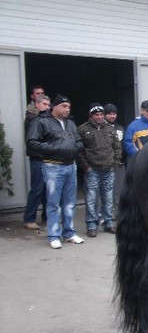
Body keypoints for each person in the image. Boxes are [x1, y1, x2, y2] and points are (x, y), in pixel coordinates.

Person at [26, 95, 84, 249]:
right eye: (64, 106)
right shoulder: (41, 122)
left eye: (69, 107)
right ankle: (53, 235)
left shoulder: (70, 123)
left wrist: (76, 149)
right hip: (53, 166)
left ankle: (69, 233)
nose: (67, 109)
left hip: (71, 166)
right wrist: (53, 149)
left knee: (69, 203)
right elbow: (32, 142)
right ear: (55, 106)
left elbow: (79, 141)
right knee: (54, 204)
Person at [77, 103, 122, 237]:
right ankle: (91, 225)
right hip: (92, 170)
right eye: (97, 115)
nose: (100, 117)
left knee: (108, 198)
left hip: (108, 169)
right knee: (91, 198)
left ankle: (108, 223)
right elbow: (79, 151)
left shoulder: (110, 129)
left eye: (101, 114)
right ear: (91, 116)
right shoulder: (83, 129)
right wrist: (86, 167)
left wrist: (114, 163)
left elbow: (117, 147)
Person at [23, 93, 51, 230]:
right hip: (37, 158)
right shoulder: (32, 118)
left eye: (48, 104)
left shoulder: (46, 118)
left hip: (47, 158)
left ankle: (46, 217)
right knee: (37, 188)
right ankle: (29, 219)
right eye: (44, 104)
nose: (47, 107)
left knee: (48, 189)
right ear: (37, 104)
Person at [103, 103, 126, 213]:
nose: (112, 116)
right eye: (109, 114)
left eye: (114, 114)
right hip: (105, 165)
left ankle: (118, 213)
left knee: (119, 191)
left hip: (119, 165)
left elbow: (124, 145)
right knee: (105, 192)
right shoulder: (101, 128)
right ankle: (104, 215)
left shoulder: (120, 128)